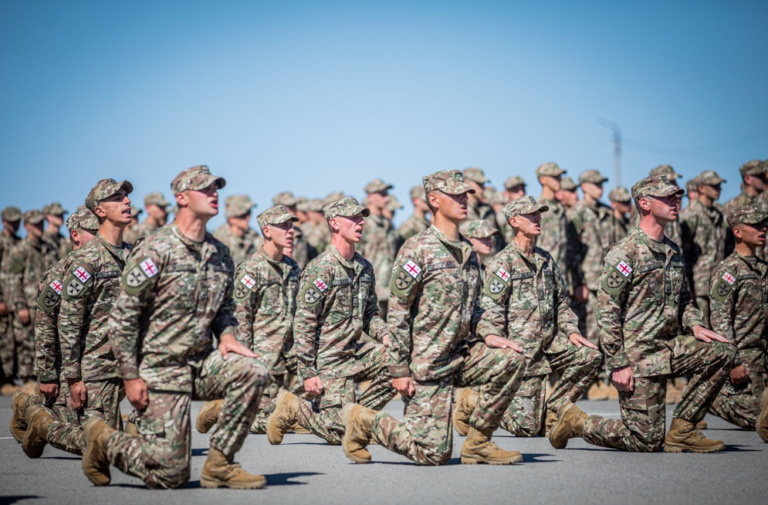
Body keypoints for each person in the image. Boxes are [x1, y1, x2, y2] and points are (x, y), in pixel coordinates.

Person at [80, 165, 269, 489]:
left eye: (216, 189)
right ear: (181, 198)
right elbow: (123, 317)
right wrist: (130, 375)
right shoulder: (156, 249)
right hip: (160, 369)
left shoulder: (220, 253)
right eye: (205, 189)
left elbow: (225, 308)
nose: (214, 194)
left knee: (254, 370)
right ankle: (102, 439)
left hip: (199, 362)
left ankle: (220, 463)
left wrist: (226, 336)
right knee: (170, 476)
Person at [341, 170, 527, 466]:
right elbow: (399, 314)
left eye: (466, 194)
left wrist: (489, 333)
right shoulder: (417, 250)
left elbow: (474, 309)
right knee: (433, 454)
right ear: (434, 200)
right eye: (456, 195)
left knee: (513, 358)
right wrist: (399, 369)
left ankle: (478, 442)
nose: (464, 200)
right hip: (427, 365)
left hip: (461, 355)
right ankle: (364, 421)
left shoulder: (468, 250)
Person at [548, 175, 736, 454]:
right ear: (645, 204)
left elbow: (684, 301)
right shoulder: (626, 252)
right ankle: (578, 423)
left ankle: (684, 428)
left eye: (677, 196)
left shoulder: (672, 251)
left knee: (722, 351)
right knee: (644, 442)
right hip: (640, 357)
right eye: (667, 197)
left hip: (670, 347)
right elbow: (607, 311)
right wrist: (618, 363)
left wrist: (695, 325)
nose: (676, 201)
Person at [266, 197, 395, 447]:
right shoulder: (321, 269)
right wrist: (308, 373)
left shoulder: (364, 267)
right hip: (327, 359)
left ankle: (359, 418)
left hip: (353, 353)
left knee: (400, 358)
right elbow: (304, 325)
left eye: (362, 218)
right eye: (354, 218)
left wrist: (387, 336)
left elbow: (370, 315)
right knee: (336, 435)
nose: (361, 223)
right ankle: (292, 408)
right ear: (334, 224)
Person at [469, 196, 600, 438]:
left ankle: (556, 409)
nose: (538, 218)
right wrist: (498, 346)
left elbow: (561, 301)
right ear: (514, 221)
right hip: (522, 354)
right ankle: (476, 402)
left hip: (549, 346)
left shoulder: (546, 260)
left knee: (589, 355)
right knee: (526, 429)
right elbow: (491, 310)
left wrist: (571, 330)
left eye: (539, 213)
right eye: (531, 215)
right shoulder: (502, 263)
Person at [21, 180, 133, 460]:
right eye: (117, 198)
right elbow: (54, 323)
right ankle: (39, 419)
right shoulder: (79, 265)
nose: (127, 201)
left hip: (120, 365)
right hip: (86, 367)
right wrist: (57, 375)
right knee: (98, 444)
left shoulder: (131, 255)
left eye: (126, 196)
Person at [196, 205, 301, 435]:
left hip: (289, 357)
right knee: (264, 422)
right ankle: (221, 409)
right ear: (267, 231)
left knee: (299, 412)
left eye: (291, 225)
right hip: (262, 360)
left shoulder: (292, 268)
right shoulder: (251, 270)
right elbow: (240, 318)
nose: (290, 230)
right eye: (283, 226)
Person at [10, 208, 99, 452]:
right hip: (63, 367)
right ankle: (28, 405)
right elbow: (45, 325)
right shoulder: (59, 274)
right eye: (93, 233)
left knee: (93, 428)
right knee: (82, 437)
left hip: (89, 363)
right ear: (76, 236)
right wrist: (47, 373)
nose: (99, 238)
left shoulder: (102, 268)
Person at [708, 206, 768, 441]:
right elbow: (720, 321)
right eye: (756, 225)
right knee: (758, 417)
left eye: (764, 224)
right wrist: (733, 362)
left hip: (764, 355)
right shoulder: (728, 271)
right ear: (738, 231)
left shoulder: (764, 269)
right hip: (745, 360)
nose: (763, 229)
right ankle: (711, 399)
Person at [2, 210, 59, 395]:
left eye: (41, 224)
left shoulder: (49, 247)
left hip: (47, 305)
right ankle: (27, 379)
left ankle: (42, 378)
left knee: (45, 341)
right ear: (26, 226)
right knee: (25, 342)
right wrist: (20, 306)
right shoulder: (19, 250)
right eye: (35, 225)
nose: (39, 227)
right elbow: (12, 279)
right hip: (27, 304)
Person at [681, 170, 728, 327]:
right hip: (699, 284)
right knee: (703, 326)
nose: (718, 189)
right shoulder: (690, 215)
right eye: (714, 186)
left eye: (719, 186)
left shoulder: (719, 215)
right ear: (701, 188)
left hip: (719, 281)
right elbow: (684, 255)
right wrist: (687, 287)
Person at [0, 206, 23, 395]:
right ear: (4, 222)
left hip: (13, 299)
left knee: (12, 341)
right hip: (3, 300)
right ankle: (3, 380)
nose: (16, 224)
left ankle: (9, 378)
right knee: (3, 341)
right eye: (12, 221)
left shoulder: (18, 242)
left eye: (18, 221)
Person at [212, 194, 261, 266]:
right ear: (231, 218)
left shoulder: (253, 235)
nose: (248, 217)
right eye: (243, 215)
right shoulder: (218, 239)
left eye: (249, 212)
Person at [535, 162, 568, 268]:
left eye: (559, 177)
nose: (559, 180)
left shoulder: (561, 208)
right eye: (554, 177)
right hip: (543, 269)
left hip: (561, 271)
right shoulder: (535, 207)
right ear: (542, 179)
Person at [273, 191, 316, 268]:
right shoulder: (271, 234)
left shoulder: (299, 232)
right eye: (289, 206)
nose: (294, 209)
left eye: (294, 206)